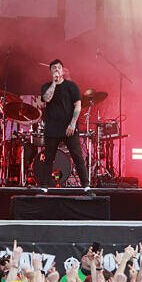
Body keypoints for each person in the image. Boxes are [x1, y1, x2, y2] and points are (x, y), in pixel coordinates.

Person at [38, 59, 89, 190]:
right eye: (54, 68)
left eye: (59, 68)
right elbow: (47, 98)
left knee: (78, 157)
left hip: (69, 128)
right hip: (52, 129)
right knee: (48, 159)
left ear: (63, 70)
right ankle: (44, 186)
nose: (56, 70)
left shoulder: (71, 86)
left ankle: (86, 186)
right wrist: (54, 83)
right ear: (50, 71)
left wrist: (72, 124)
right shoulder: (46, 86)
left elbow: (78, 105)